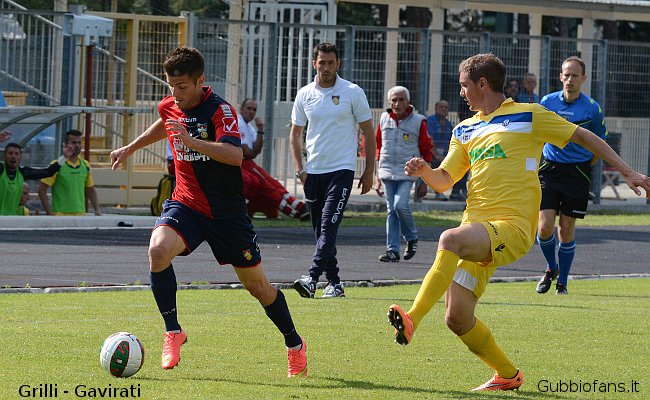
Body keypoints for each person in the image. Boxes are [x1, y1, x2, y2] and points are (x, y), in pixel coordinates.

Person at [386, 53, 650, 392]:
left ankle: (412, 319)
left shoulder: (529, 114)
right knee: (457, 318)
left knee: (449, 239)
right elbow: (445, 180)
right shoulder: (464, 129)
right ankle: (508, 374)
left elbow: (584, 138)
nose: (461, 93)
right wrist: (425, 171)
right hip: (476, 230)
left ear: (483, 84)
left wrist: (628, 172)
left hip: (512, 228)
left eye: (465, 86)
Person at [109, 46, 308, 377]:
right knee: (158, 250)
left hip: (227, 215)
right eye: (171, 86)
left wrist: (192, 143)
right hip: (185, 203)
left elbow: (234, 155)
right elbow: (165, 122)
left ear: (200, 81)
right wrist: (130, 148)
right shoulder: (171, 104)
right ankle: (173, 330)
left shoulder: (221, 110)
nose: (177, 94)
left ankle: (294, 344)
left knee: (259, 287)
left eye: (183, 86)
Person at [290, 42, 376, 299]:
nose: (326, 67)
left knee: (328, 226)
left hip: (342, 170)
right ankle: (335, 282)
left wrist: (368, 170)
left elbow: (369, 132)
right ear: (314, 64)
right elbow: (295, 135)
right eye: (322, 62)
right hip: (313, 172)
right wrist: (300, 171)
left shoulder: (352, 92)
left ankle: (312, 277)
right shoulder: (305, 94)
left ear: (338, 64)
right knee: (320, 231)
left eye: (331, 63)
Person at [535, 56, 608, 295]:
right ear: (560, 77)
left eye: (575, 75)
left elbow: (600, 143)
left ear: (583, 79)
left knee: (565, 229)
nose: (570, 80)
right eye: (566, 75)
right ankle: (550, 268)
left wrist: (584, 164)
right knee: (544, 228)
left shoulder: (591, 108)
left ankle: (562, 282)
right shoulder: (547, 102)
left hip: (577, 171)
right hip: (549, 170)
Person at [375, 86, 432, 263]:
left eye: (401, 100)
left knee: (400, 205)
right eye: (394, 100)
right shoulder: (384, 118)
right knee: (391, 210)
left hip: (408, 171)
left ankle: (412, 237)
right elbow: (378, 146)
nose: (397, 103)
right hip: (386, 171)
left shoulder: (418, 121)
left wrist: (425, 181)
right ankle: (392, 250)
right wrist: (377, 175)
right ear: (389, 102)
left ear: (407, 101)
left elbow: (426, 150)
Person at [238, 98, 308, 220]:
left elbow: (256, 151)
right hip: (241, 163)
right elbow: (249, 153)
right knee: (266, 185)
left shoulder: (249, 127)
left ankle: (300, 208)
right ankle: (299, 211)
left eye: (254, 109)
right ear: (241, 109)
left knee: (271, 183)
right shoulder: (238, 123)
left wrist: (260, 131)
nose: (251, 112)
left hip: (247, 162)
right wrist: (252, 151)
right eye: (248, 108)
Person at [38, 130, 102, 216]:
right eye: (74, 142)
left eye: (79, 142)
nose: (77, 145)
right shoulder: (56, 165)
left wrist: (97, 210)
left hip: (80, 214)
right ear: (66, 144)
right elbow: (42, 189)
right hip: (60, 215)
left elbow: (90, 189)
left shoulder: (85, 165)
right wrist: (49, 212)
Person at [0, 142, 71, 215]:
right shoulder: (1, 168)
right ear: (4, 156)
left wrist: (64, 157)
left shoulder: (22, 172)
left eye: (16, 154)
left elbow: (48, 172)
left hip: (10, 220)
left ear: (20, 157)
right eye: (10, 153)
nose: (13, 156)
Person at [427, 100, 467, 201]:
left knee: (461, 165)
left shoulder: (448, 124)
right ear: (436, 109)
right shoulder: (431, 121)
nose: (444, 109)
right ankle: (439, 193)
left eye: (446, 107)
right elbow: (429, 140)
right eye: (441, 107)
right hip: (432, 154)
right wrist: (437, 155)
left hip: (445, 155)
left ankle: (456, 193)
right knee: (437, 164)